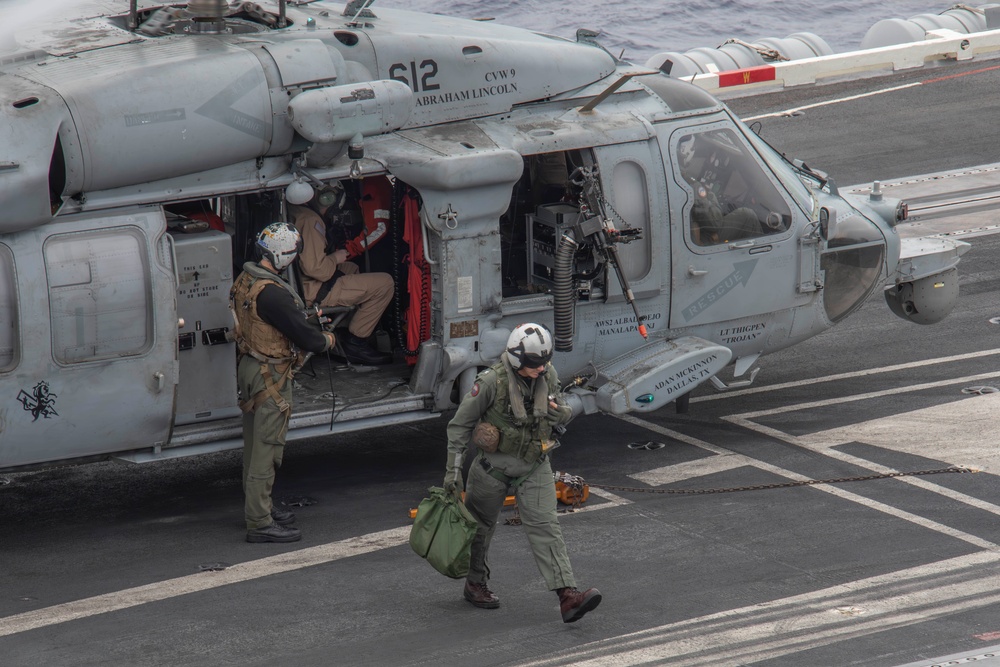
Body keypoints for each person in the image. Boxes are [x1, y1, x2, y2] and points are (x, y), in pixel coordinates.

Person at [443, 323, 602, 623]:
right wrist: (453, 473)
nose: (541, 369)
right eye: (534, 364)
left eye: (544, 361)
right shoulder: (490, 383)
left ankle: (568, 596)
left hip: (534, 464)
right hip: (492, 469)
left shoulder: (547, 374)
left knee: (546, 526)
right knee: (479, 529)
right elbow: (459, 425)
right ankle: (475, 583)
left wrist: (563, 412)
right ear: (516, 359)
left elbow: (562, 404)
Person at [230, 222, 336, 543]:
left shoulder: (247, 278)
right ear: (282, 256)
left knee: (253, 446)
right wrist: (326, 339)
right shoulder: (273, 294)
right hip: (270, 374)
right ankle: (259, 523)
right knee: (267, 448)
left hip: (250, 366)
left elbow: (272, 320)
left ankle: (259, 506)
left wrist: (303, 318)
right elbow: (308, 339)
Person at [289, 182, 395, 365]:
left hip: (298, 283)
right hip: (311, 291)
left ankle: (340, 332)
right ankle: (356, 343)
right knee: (385, 283)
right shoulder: (310, 220)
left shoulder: (294, 210)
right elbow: (316, 270)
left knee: (351, 268)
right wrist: (335, 258)